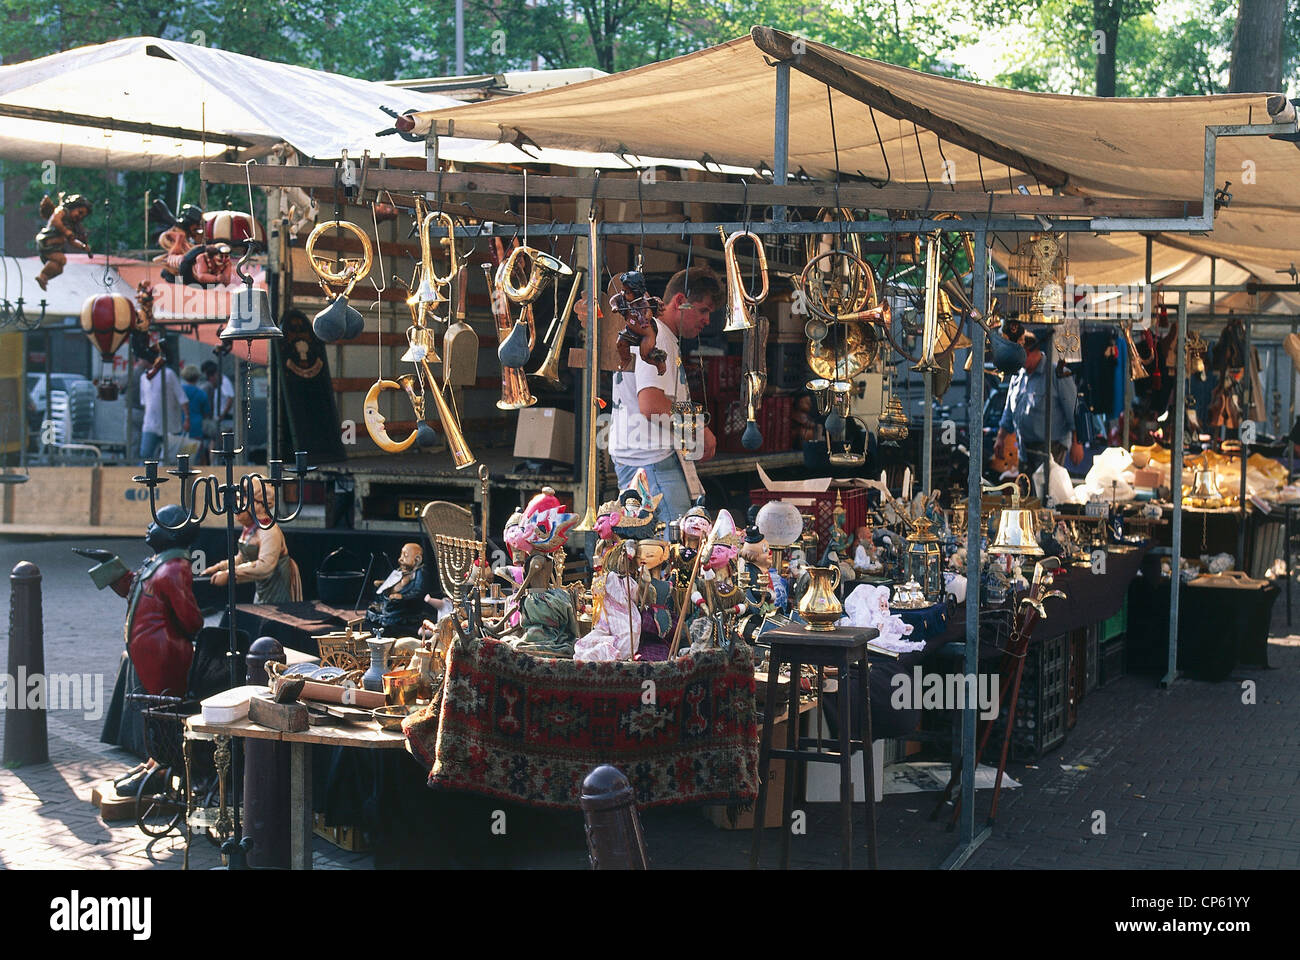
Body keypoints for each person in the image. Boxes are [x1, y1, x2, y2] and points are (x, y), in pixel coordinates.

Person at [78, 504, 202, 780]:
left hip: (162, 655)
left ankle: (164, 765)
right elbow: (132, 587)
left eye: (157, 522)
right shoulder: (159, 562)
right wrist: (110, 562)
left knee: (161, 710)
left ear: (172, 533)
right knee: (151, 710)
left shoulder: (173, 568)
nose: (150, 526)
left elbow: (191, 619)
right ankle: (154, 760)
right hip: (148, 654)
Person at [602, 266, 721, 522]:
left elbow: (665, 399)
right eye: (703, 310)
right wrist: (697, 428)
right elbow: (652, 404)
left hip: (644, 457)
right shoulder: (656, 334)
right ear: (680, 301)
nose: (707, 320)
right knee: (670, 550)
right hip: (651, 460)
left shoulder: (655, 332)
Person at [992, 331, 1083, 496]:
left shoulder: (1057, 374)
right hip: (1025, 448)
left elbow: (1074, 410)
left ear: (1029, 352)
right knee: (1028, 494)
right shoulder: (1017, 375)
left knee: (1048, 494)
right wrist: (1001, 437)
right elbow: (1009, 411)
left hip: (1052, 447)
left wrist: (1077, 444)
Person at [201, 485, 301, 603]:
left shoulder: (269, 531)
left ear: (257, 507)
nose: (236, 513)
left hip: (277, 587)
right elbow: (242, 558)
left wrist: (229, 575)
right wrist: (218, 568)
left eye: (241, 508)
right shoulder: (250, 529)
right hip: (262, 588)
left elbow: (265, 566)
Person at [34, 193, 91, 290]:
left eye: (82, 216)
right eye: (80, 212)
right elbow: (56, 221)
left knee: (59, 269)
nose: (79, 216)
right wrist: (66, 231)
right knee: (61, 259)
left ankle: (45, 278)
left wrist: (83, 247)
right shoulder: (62, 211)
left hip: (56, 247)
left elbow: (72, 241)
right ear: (73, 206)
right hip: (47, 241)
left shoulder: (71, 225)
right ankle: (43, 275)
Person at [139, 362, 189, 462]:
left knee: (171, 458)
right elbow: (144, 401)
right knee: (145, 455)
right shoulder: (143, 378)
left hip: (170, 426)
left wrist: (187, 418)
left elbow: (182, 398)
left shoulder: (169, 374)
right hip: (150, 425)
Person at [180, 364, 211, 447]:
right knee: (195, 453)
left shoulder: (179, 391)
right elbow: (206, 412)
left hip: (180, 425)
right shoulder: (201, 394)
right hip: (196, 427)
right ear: (197, 377)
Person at [202, 359, 236, 424]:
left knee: (225, 433)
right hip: (217, 417)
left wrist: (222, 415)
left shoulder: (224, 381)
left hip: (225, 418)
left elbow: (230, 399)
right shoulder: (212, 383)